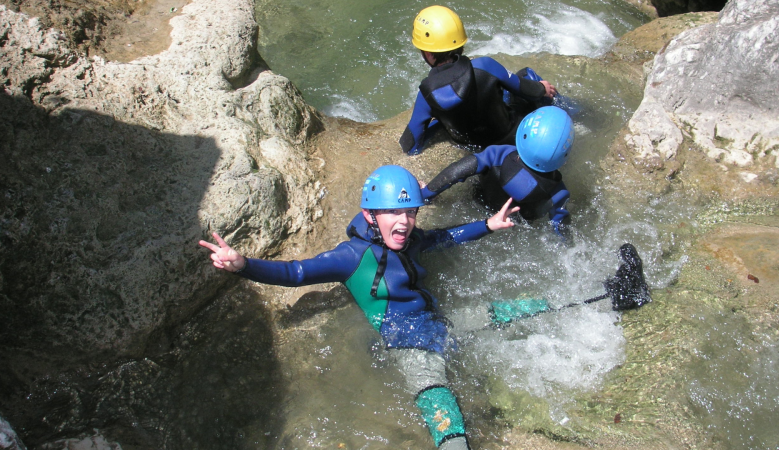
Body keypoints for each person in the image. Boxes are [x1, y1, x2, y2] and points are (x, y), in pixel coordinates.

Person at [199, 165, 520, 450]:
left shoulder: (412, 239)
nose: (405, 221)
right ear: (369, 215)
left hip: (440, 323)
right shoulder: (351, 257)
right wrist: (243, 265)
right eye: (394, 212)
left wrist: (488, 225)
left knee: (521, 310)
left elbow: (444, 237)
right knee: (449, 427)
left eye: (410, 212)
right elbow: (296, 272)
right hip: (409, 349)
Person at [400, 5, 576, 156]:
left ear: (429, 54)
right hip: (513, 134)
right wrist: (541, 88)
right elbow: (528, 90)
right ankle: (575, 115)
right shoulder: (485, 65)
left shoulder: (426, 94)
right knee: (528, 75)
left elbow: (411, 145)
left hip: (480, 151)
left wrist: (440, 122)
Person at [420, 106, 574, 240]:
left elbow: (456, 172)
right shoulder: (559, 192)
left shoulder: (499, 155)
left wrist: (426, 193)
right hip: (516, 229)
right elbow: (560, 228)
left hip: (478, 204)